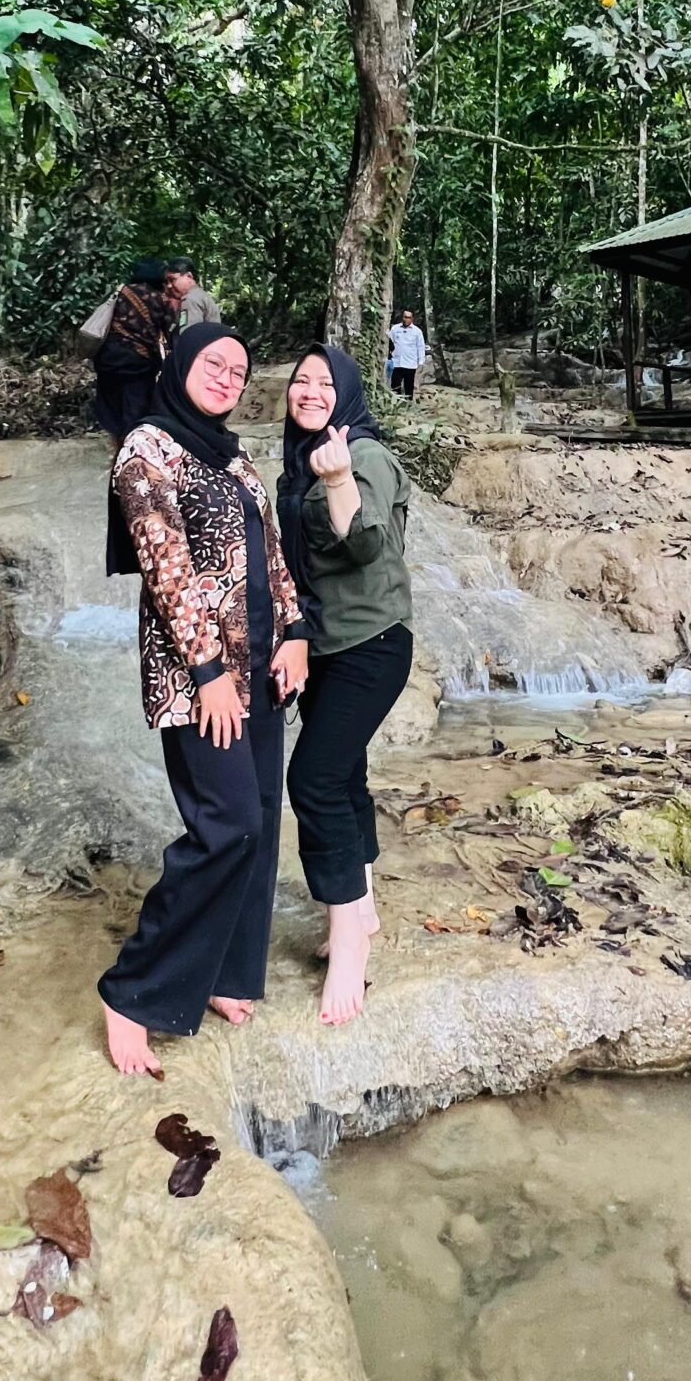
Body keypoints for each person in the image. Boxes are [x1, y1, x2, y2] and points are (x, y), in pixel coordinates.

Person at [99, 322, 309, 1076]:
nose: (227, 377)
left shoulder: (234, 456)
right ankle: (132, 992)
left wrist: (295, 632)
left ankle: (224, 972)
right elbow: (167, 569)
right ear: (181, 364)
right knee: (225, 826)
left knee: (260, 820)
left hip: (263, 664)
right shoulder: (147, 449)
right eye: (214, 363)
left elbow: (271, 553)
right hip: (200, 678)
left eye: (239, 371)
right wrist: (209, 671)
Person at [278, 346, 414, 1026]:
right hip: (325, 643)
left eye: (324, 382)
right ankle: (363, 908)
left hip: (371, 644)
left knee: (313, 781)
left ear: (349, 393)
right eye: (300, 380)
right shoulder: (298, 460)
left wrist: (335, 481)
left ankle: (350, 943)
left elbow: (364, 543)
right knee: (345, 774)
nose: (309, 391)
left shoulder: (364, 457)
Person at [95, 260, 176, 576]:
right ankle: (130, 454)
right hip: (137, 364)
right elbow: (168, 328)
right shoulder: (156, 299)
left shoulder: (120, 293)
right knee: (135, 412)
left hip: (107, 363)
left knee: (112, 407)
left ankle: (117, 442)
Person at [165, 257, 221, 332]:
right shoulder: (201, 295)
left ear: (189, 276)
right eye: (167, 281)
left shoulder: (190, 299)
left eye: (172, 280)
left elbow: (188, 334)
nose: (169, 286)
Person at [387, 308, 426, 398]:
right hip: (397, 363)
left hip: (410, 364)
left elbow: (420, 347)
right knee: (395, 386)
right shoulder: (395, 328)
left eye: (409, 317)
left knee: (409, 387)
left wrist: (421, 362)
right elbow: (390, 342)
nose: (406, 319)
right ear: (402, 317)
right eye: (405, 317)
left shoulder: (417, 332)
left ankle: (408, 403)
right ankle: (396, 402)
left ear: (412, 319)